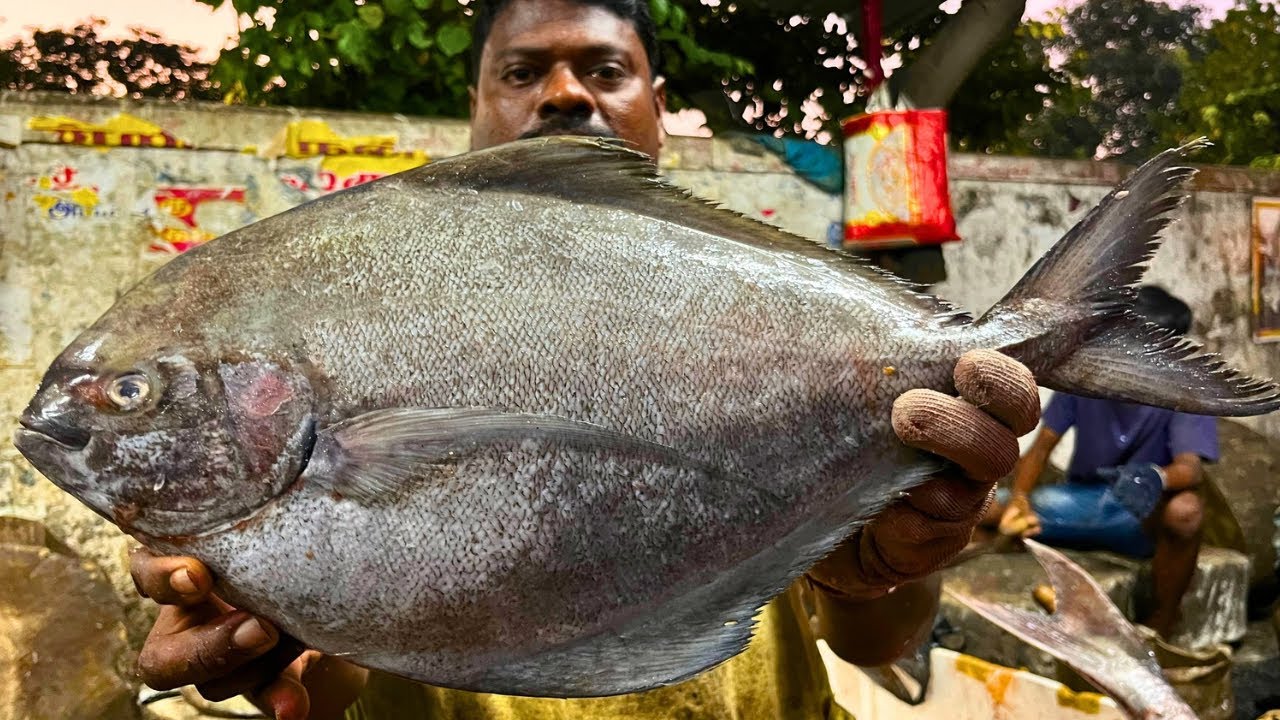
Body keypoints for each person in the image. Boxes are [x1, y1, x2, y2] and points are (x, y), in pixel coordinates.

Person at [128, 1, 1041, 718]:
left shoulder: (781, 312)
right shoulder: (360, 306)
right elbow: (329, 688)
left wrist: (886, 566)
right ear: (477, 108)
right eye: (523, 71)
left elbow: (876, 640)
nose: (565, 93)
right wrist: (275, 637)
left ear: (657, 104)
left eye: (605, 68)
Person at [996, 285, 1217, 637]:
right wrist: (1020, 500)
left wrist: (1155, 478)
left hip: (1137, 514)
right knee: (987, 506)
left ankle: (1159, 626)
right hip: (1078, 502)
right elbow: (1040, 449)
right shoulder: (1084, 380)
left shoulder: (1186, 391)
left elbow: (1190, 469)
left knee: (1186, 510)